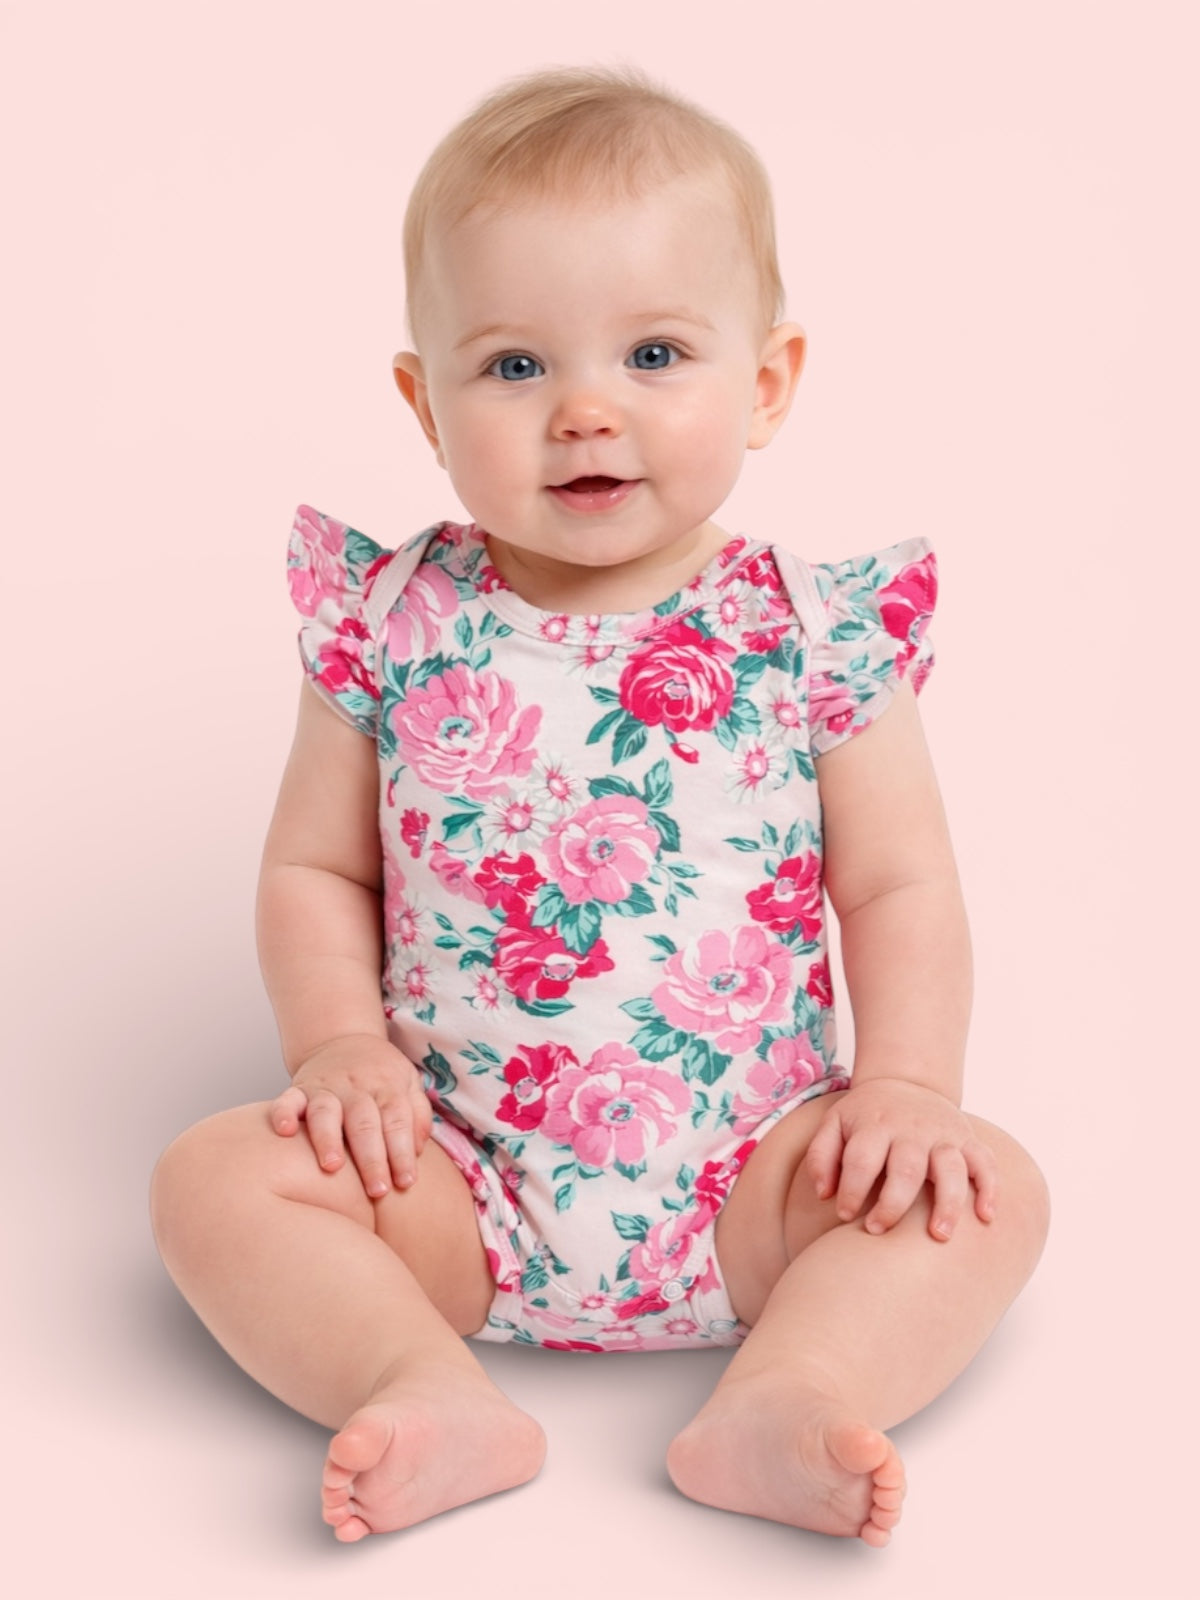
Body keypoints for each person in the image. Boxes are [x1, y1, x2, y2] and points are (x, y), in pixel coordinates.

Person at [150, 64, 1049, 1549]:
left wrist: (906, 1090)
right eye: (513, 367)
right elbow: (317, 870)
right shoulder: (388, 622)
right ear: (421, 400)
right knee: (206, 1183)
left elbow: (898, 886)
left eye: (653, 353)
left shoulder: (814, 631)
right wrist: (339, 1050)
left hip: (756, 1178)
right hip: (443, 1179)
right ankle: (418, 1376)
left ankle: (795, 1381)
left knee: (990, 1189)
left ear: (764, 381)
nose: (584, 411)